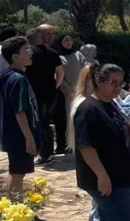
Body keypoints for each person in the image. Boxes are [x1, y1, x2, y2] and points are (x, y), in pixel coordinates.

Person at [73, 63, 130, 221]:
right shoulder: (88, 109)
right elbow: (86, 146)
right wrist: (102, 175)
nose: (118, 88)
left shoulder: (111, 104)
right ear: (99, 81)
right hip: (104, 178)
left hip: (120, 175)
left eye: (121, 83)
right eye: (113, 83)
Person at [0, 37, 42, 200]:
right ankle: (16, 209)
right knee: (18, 173)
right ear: (15, 56)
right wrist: (29, 137)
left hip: (13, 134)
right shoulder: (17, 79)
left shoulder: (9, 75)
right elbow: (20, 111)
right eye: (26, 50)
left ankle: (14, 206)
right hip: (19, 135)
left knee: (16, 171)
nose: (31, 53)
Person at [25, 25, 64, 163]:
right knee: (46, 123)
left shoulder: (29, 53)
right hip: (51, 93)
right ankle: (49, 152)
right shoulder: (53, 53)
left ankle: (43, 154)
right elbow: (60, 73)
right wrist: (55, 86)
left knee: (38, 124)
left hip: (35, 94)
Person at [55, 33, 83, 151]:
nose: (68, 43)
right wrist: (68, 91)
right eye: (65, 40)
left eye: (70, 40)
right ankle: (66, 144)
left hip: (80, 91)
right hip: (66, 94)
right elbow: (58, 76)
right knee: (67, 119)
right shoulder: (57, 56)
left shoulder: (77, 54)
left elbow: (85, 70)